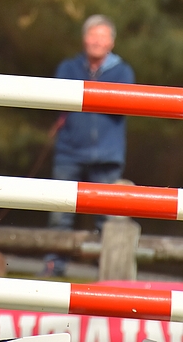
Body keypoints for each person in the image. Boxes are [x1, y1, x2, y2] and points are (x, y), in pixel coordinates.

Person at [42, 14, 135, 277]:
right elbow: (56, 101)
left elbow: (122, 108)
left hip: (107, 154)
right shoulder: (68, 68)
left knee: (106, 218)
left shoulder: (123, 72)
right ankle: (53, 266)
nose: (96, 41)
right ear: (84, 39)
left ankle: (106, 272)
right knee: (60, 214)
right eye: (92, 35)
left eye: (102, 36)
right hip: (69, 152)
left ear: (112, 43)